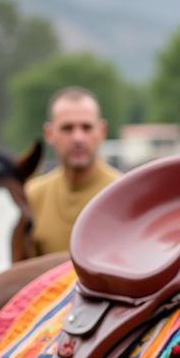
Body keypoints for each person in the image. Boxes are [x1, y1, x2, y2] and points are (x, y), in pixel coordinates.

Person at [26, 87, 120, 254]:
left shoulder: (125, 193)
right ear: (49, 133)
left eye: (86, 127)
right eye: (67, 128)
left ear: (102, 131)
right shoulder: (32, 197)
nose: (78, 138)